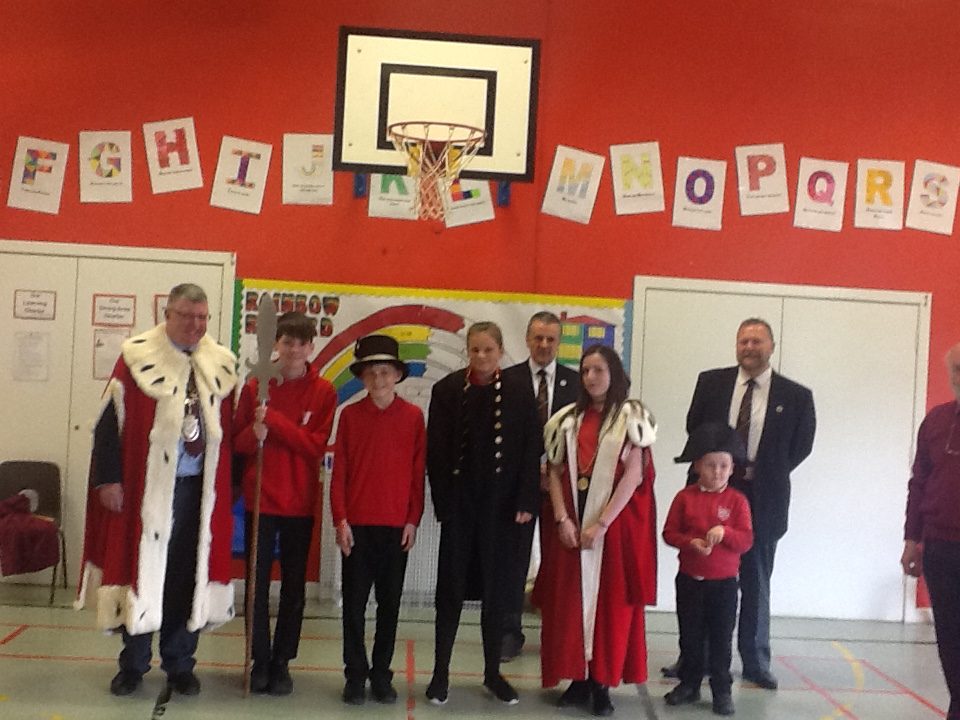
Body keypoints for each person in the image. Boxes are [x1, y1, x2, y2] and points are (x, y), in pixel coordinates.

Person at [77, 283, 237, 697]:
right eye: (186, 316)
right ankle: (133, 665)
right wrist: (108, 479)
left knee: (187, 578)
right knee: (143, 573)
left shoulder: (220, 364)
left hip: (198, 493)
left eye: (202, 317)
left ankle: (180, 664)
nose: (195, 325)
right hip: (147, 492)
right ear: (167, 315)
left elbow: (229, 436)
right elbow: (108, 422)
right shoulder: (137, 357)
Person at [664, 318, 815, 689]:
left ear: (771, 347)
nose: (749, 347)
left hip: (763, 500)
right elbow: (695, 429)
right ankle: (694, 661)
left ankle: (755, 662)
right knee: (701, 579)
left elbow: (800, 447)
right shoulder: (710, 383)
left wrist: (762, 472)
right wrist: (719, 473)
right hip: (710, 494)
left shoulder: (796, 396)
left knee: (755, 583)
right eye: (744, 341)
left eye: (757, 341)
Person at [535, 344, 657, 717]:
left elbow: (634, 476)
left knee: (609, 608)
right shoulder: (566, 420)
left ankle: (602, 682)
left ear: (614, 373)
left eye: (599, 370)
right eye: (586, 370)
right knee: (570, 606)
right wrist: (562, 519)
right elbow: (554, 471)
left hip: (613, 533)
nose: (590, 377)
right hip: (571, 530)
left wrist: (602, 524)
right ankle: (579, 678)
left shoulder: (632, 418)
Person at [425, 321, 541, 706]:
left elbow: (530, 449)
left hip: (501, 510)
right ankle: (440, 673)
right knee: (450, 592)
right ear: (467, 351)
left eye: (488, 350)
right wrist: (444, 504)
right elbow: (436, 452)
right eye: (475, 349)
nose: (481, 356)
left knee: (497, 594)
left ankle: (492, 673)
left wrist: (525, 501)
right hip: (460, 508)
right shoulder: (446, 390)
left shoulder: (520, 392)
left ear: (501, 351)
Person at [234, 311, 337, 695]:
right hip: (260, 499)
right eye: (287, 341)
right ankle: (259, 658)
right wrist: (254, 432)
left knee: (294, 587)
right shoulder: (255, 386)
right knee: (256, 586)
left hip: (299, 501)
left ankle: (281, 661)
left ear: (311, 347)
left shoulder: (323, 392)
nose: (294, 349)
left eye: (301, 343)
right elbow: (238, 442)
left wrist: (275, 423)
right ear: (275, 343)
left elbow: (314, 446)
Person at [331, 335, 426, 705]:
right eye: (371, 373)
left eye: (385, 372)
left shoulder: (413, 417)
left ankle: (381, 674)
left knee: (389, 606)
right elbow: (340, 472)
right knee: (354, 607)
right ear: (362, 377)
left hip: (395, 528)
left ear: (397, 375)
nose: (379, 379)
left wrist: (412, 519)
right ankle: (355, 674)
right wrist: (340, 520)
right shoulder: (349, 416)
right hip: (357, 527)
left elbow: (417, 474)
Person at [499, 311, 580, 662]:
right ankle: (508, 632)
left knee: (560, 564)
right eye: (538, 338)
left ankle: (557, 633)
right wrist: (528, 471)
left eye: (550, 339)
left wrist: (556, 472)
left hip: (563, 489)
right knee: (513, 562)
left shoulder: (577, 383)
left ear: (559, 342)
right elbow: (500, 437)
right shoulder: (507, 379)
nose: (544, 345)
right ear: (527, 340)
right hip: (517, 488)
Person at [663, 422, 753, 716]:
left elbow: (746, 540)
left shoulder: (737, 501)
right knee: (690, 636)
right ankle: (689, 684)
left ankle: (721, 690)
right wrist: (690, 543)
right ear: (697, 466)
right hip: (690, 581)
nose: (717, 472)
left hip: (724, 584)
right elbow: (669, 533)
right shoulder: (684, 498)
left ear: (732, 469)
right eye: (711, 465)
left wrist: (726, 533)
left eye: (724, 466)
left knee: (720, 640)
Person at [901, 342, 960, 720]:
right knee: (950, 640)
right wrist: (912, 540)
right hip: (940, 548)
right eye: (957, 369)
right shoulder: (936, 421)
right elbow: (919, 483)